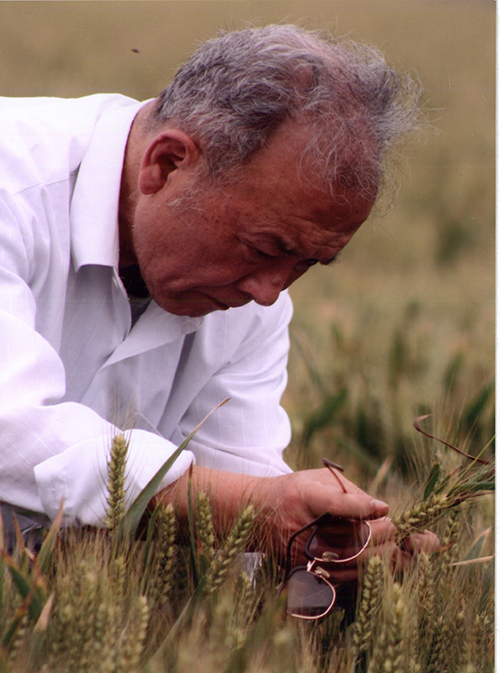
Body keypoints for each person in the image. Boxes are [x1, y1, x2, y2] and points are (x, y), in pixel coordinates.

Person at [0, 25, 438, 570]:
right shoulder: (10, 179)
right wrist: (250, 511)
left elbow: (243, 506)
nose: (269, 292)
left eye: (307, 263)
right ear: (166, 164)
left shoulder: (255, 302)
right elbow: (10, 429)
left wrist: (323, 558)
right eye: (263, 247)